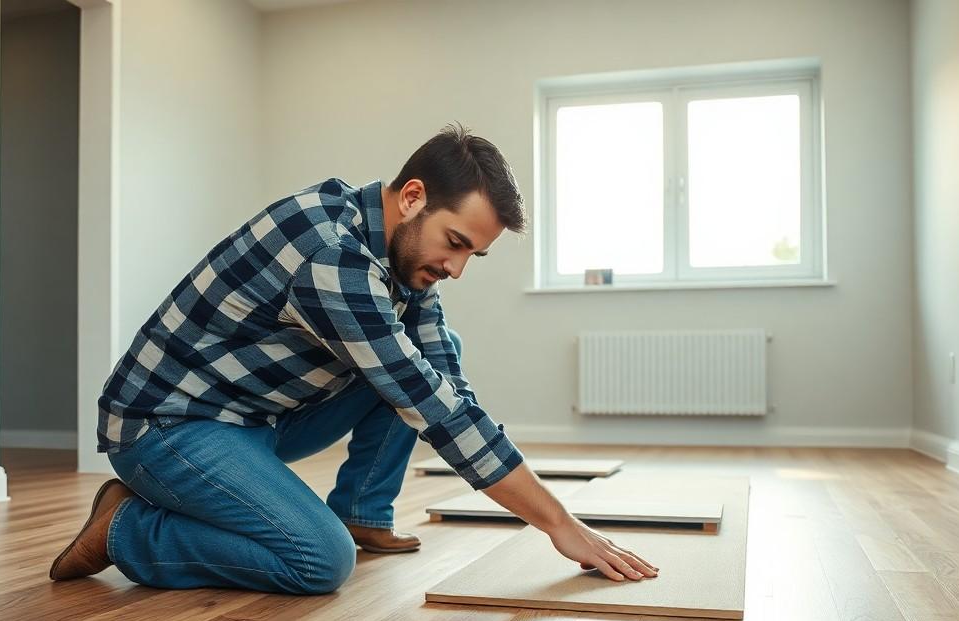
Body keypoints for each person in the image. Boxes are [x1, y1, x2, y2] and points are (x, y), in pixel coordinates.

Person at [48, 123, 659, 594]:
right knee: (319, 560)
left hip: (250, 420)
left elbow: (444, 383)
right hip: (168, 427)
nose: (456, 268)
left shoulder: (399, 258)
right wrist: (559, 523)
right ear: (414, 196)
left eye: (474, 254)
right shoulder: (331, 253)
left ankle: (362, 511)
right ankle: (126, 527)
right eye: (455, 243)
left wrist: (543, 505)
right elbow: (432, 409)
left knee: (425, 364)